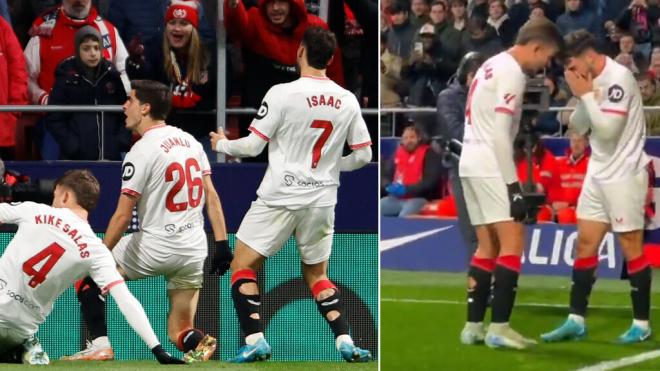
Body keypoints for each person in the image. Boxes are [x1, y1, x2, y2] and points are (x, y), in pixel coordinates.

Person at [209, 27, 373, 363]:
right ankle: (344, 340)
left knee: (242, 264)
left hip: (280, 195)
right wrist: (329, 168)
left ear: (300, 52)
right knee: (316, 273)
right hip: (322, 198)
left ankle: (255, 339)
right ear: (330, 59)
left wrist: (221, 143)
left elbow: (254, 145)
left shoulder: (282, 93)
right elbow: (364, 155)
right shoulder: (347, 99)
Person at [62, 80, 232, 362]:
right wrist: (223, 244)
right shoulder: (191, 142)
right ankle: (201, 342)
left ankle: (100, 345)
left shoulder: (141, 151)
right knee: (180, 331)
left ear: (145, 108)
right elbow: (211, 196)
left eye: (129, 100)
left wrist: (100, 253)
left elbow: (122, 214)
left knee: (87, 270)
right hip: (193, 248)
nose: (124, 106)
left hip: (156, 245)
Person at [0, 169, 184, 365]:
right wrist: (157, 348)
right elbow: (126, 300)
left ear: (65, 196)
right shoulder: (97, 249)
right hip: (20, 330)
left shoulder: (34, 210)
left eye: (54, 196)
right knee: (18, 339)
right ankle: (23, 347)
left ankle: (20, 350)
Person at [541, 30, 653, 344]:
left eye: (572, 62)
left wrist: (588, 94)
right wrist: (581, 94)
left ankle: (641, 324)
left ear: (589, 56)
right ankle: (576, 320)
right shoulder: (589, 80)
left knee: (631, 248)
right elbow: (578, 126)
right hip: (598, 172)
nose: (570, 69)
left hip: (625, 174)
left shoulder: (619, 79)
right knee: (585, 245)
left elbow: (608, 131)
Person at [458, 18, 563, 349]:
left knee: (486, 245)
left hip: (469, 160)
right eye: (547, 57)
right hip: (490, 163)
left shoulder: (490, 63)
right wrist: (513, 187)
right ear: (536, 46)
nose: (545, 65)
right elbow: (502, 136)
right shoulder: (513, 73)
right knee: (513, 241)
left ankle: (473, 326)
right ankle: (500, 327)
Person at [125, 0, 217, 144]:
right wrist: (135, 62)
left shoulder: (208, 53)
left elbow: (221, 90)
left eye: (183, 23)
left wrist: (196, 103)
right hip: (161, 135)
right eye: (172, 23)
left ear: (194, 28)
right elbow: (145, 82)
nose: (177, 28)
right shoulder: (155, 49)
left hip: (201, 134)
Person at [46, 26, 131, 160]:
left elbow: (126, 114)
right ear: (77, 51)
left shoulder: (112, 76)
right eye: (86, 48)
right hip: (75, 158)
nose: (93, 53)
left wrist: (120, 142)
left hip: (110, 156)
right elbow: (54, 118)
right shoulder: (66, 77)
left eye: (97, 48)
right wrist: (73, 146)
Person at [24, 0, 130, 105]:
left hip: (100, 116)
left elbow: (125, 72)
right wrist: (42, 98)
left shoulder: (107, 30)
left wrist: (114, 98)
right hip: (55, 116)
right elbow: (25, 76)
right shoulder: (44, 30)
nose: (78, 1)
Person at [436, 51, 485, 257]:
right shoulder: (448, 97)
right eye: (475, 75)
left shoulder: (489, 97)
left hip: (489, 168)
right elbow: (455, 133)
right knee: (472, 232)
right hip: (462, 168)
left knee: (491, 229)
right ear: (465, 74)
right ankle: (479, 282)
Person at [381, 125, 442, 217]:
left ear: (419, 138)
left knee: (405, 216)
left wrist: (407, 189)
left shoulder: (429, 154)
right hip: (395, 198)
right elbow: (385, 175)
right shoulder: (397, 154)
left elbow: (430, 182)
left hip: (419, 198)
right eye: (405, 138)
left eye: (412, 137)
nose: (409, 141)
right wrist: (388, 186)